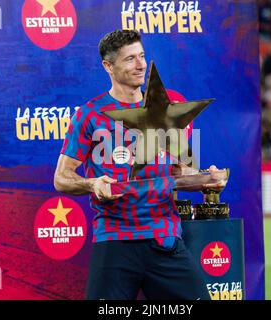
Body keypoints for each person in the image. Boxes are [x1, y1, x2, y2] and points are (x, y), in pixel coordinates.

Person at [53, 29, 227, 300]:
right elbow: (62, 178)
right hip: (114, 239)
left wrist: (207, 179)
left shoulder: (168, 111)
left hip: (164, 238)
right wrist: (93, 183)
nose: (141, 65)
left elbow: (178, 175)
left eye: (142, 56)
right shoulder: (90, 115)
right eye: (130, 59)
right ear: (108, 66)